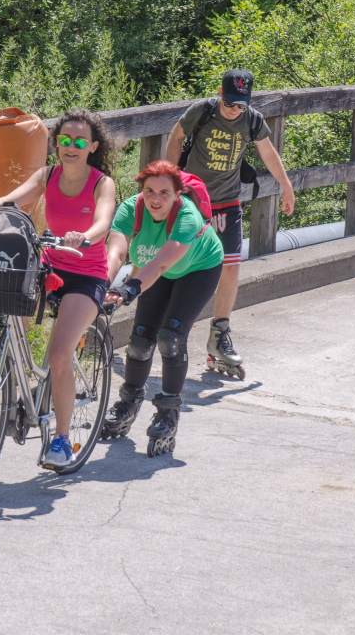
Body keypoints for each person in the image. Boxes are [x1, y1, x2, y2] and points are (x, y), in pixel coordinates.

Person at [0, 109, 118, 471]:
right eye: (65, 140)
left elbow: (102, 222)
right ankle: (19, 381)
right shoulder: (48, 175)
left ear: (93, 146)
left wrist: (84, 237)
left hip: (86, 275)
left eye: (80, 142)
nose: (71, 147)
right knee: (7, 300)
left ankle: (61, 440)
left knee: (60, 354)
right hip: (49, 266)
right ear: (56, 143)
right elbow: (9, 200)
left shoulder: (101, 183)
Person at [165, 68, 296, 378]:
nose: (234, 109)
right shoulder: (202, 111)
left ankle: (219, 336)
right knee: (175, 263)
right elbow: (176, 136)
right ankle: (162, 326)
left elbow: (268, 153)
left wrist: (287, 186)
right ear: (220, 94)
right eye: (230, 102)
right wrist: (170, 179)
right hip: (192, 202)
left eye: (241, 104)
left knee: (231, 267)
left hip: (227, 203)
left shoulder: (252, 120)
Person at [102, 160, 224, 456]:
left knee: (171, 337)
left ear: (177, 193)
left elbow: (161, 263)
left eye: (164, 193)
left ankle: (168, 412)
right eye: (149, 191)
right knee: (140, 340)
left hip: (198, 269)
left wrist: (131, 288)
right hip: (153, 272)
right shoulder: (131, 209)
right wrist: (101, 285)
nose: (155, 199)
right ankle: (128, 403)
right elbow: (116, 253)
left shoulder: (187, 216)